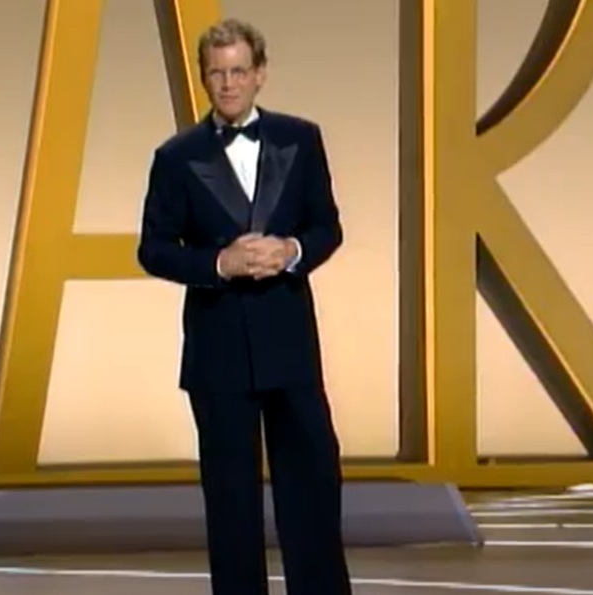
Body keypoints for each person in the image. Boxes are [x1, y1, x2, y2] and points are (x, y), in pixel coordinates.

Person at [137, 17, 352, 595]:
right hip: (218, 351)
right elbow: (153, 250)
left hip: (289, 344)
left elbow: (328, 227)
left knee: (311, 487)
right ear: (205, 79)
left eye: (238, 71)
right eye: (217, 73)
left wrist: (292, 250)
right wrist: (217, 266)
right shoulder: (176, 157)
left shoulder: (300, 139)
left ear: (260, 74)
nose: (228, 83)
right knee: (231, 503)